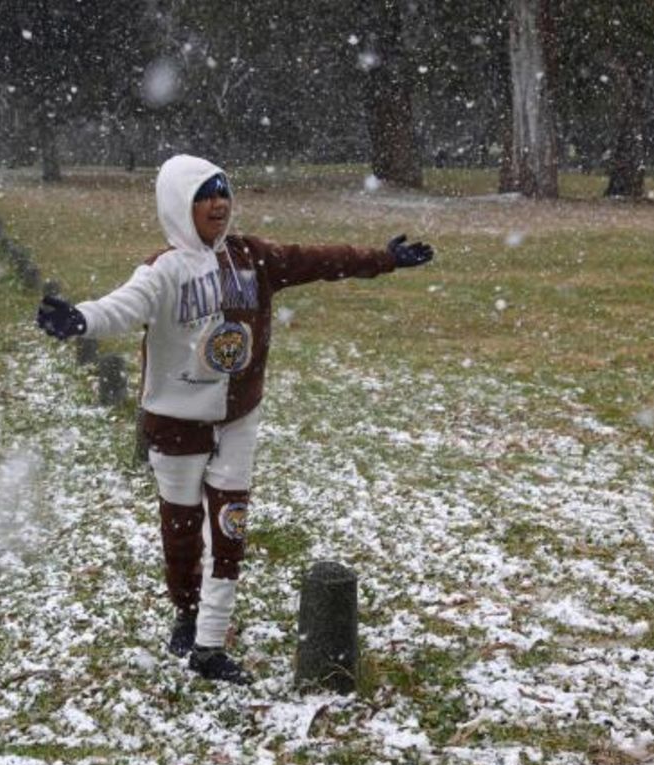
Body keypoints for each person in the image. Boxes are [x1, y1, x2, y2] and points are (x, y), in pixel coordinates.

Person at [36, 154, 435, 685]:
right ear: (179, 204)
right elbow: (123, 306)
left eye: (223, 191)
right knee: (181, 532)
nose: (218, 203)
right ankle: (186, 613)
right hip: (176, 424)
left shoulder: (253, 258)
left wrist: (381, 259)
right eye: (204, 194)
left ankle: (209, 645)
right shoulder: (164, 271)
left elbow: (317, 259)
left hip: (238, 418)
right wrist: (80, 319)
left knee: (230, 527)